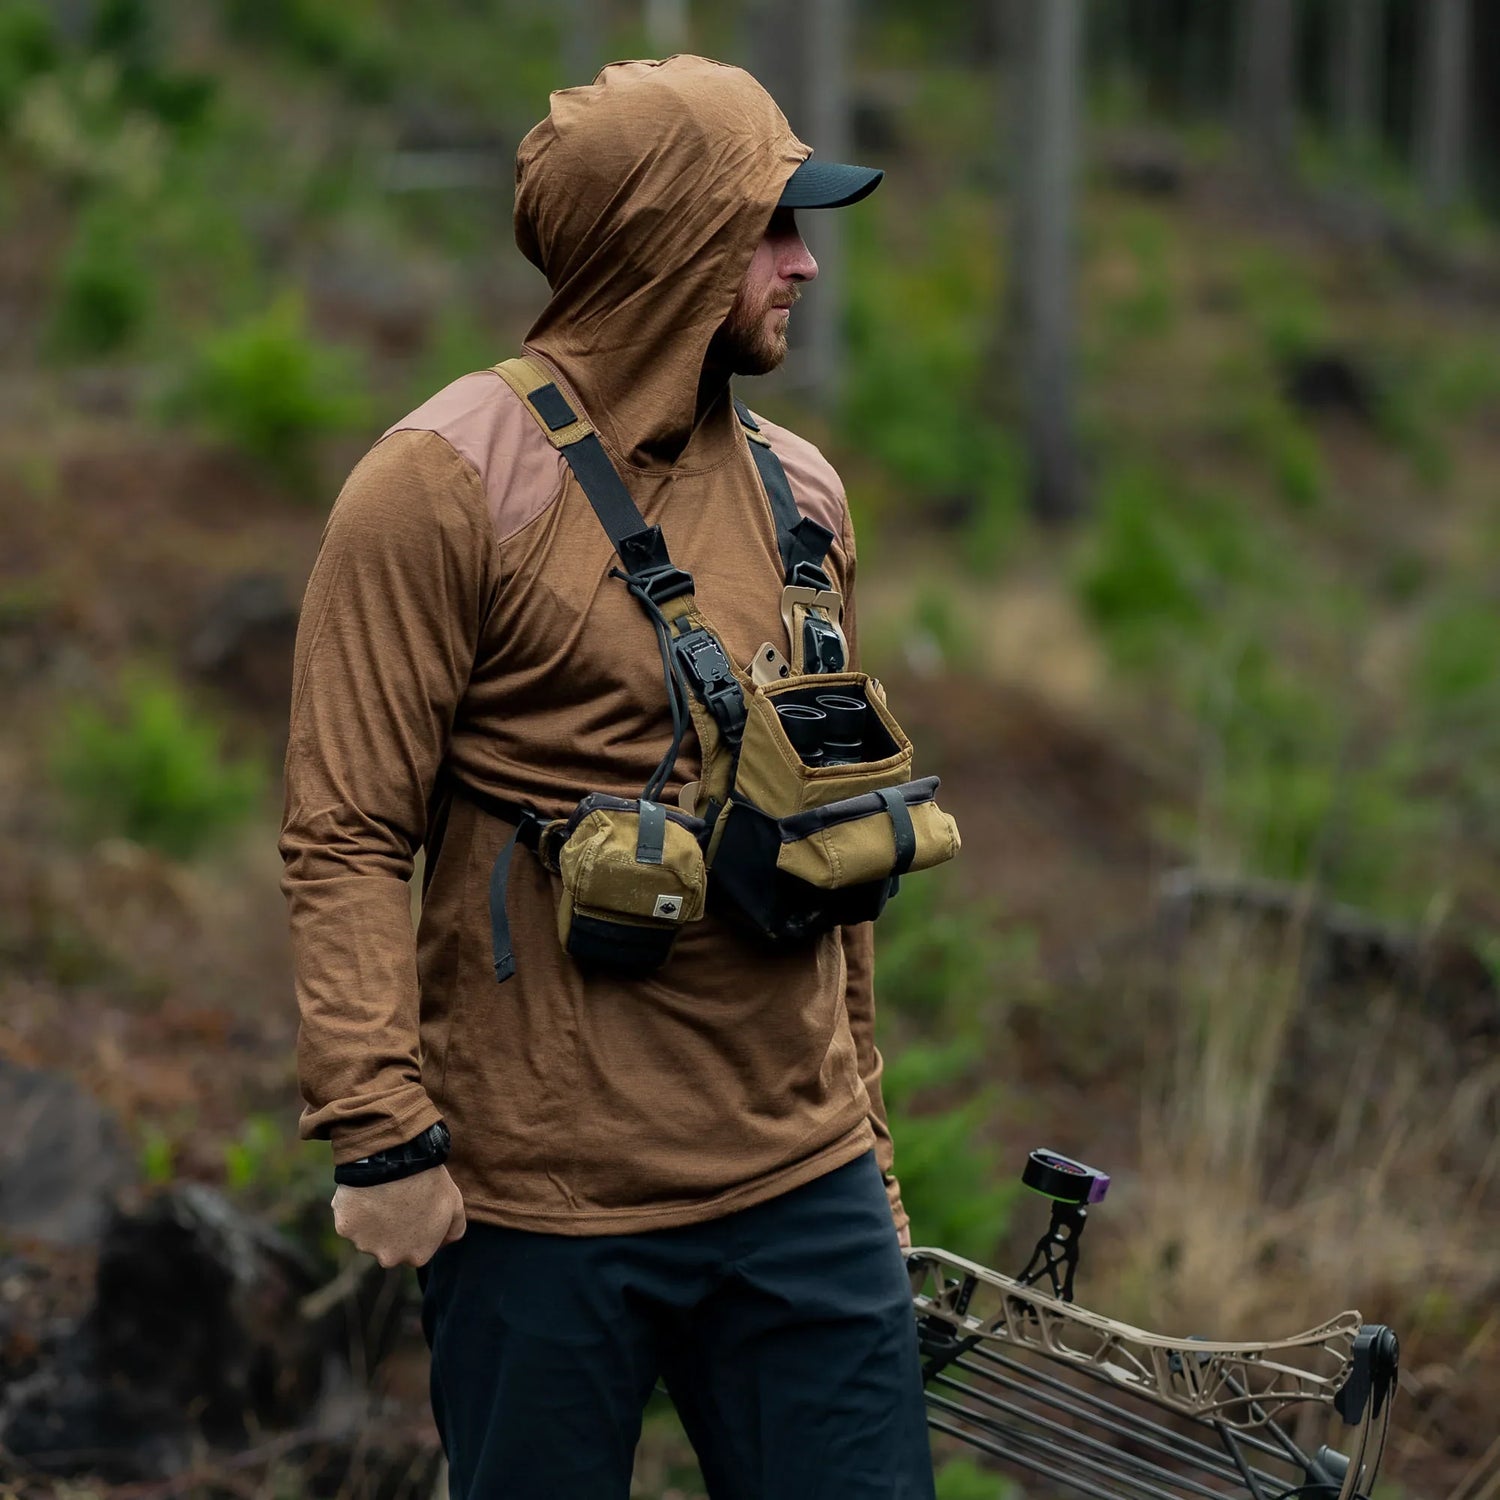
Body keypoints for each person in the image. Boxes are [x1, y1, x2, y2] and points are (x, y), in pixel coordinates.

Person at [279, 54, 936, 1499]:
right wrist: (383, 1136)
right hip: (537, 1210)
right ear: (672, 245)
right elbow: (344, 833)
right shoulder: (439, 487)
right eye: (772, 225)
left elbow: (835, 853)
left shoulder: (802, 496)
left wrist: (869, 1149)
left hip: (800, 1190)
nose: (806, 261)